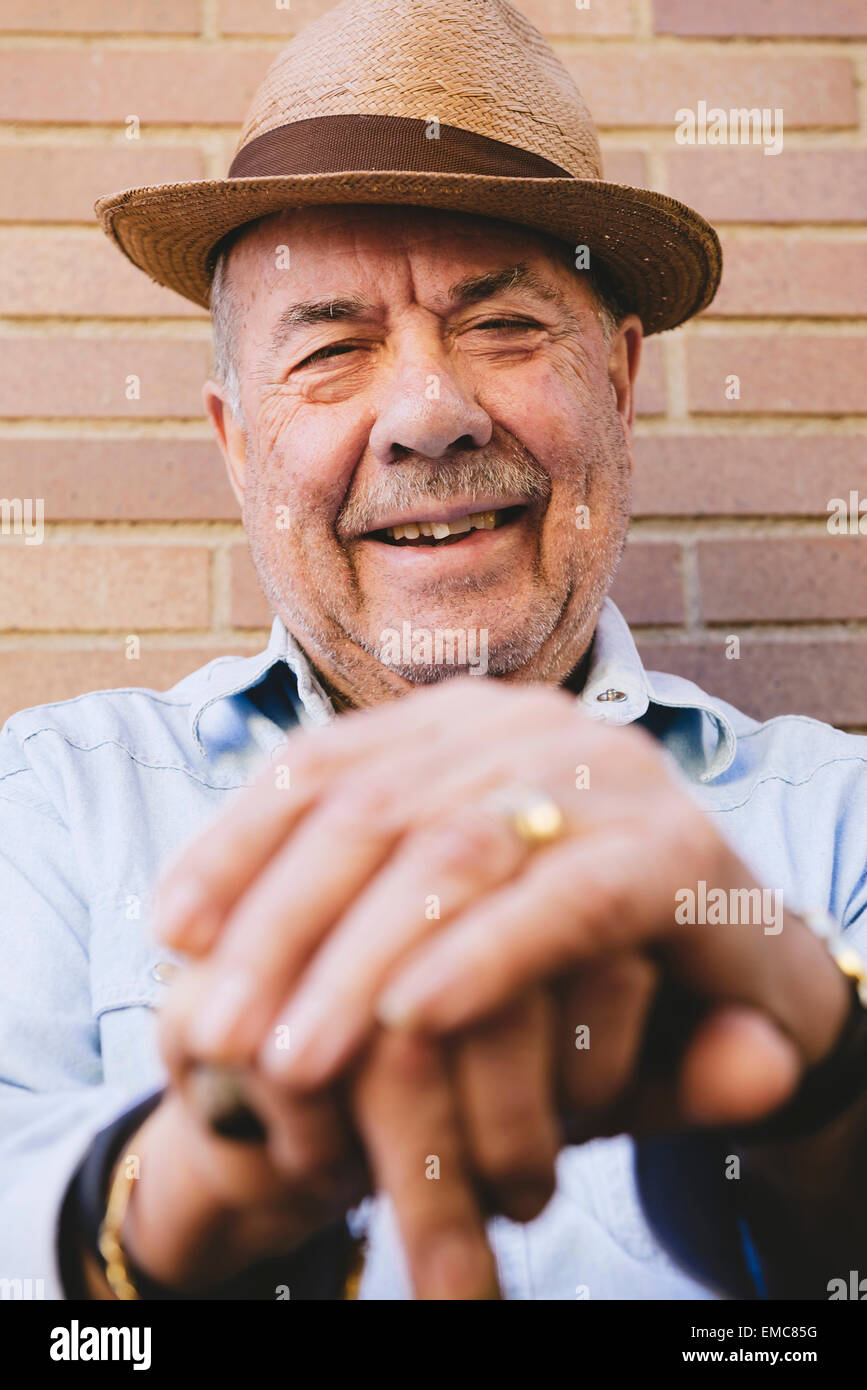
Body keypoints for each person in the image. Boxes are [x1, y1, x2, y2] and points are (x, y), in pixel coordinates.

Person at [3, 0, 866, 1302]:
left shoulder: (843, 826)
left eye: (505, 325)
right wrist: (179, 1199)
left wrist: (829, 1097)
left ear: (622, 389)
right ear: (237, 440)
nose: (430, 412)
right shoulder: (49, 812)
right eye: (335, 346)